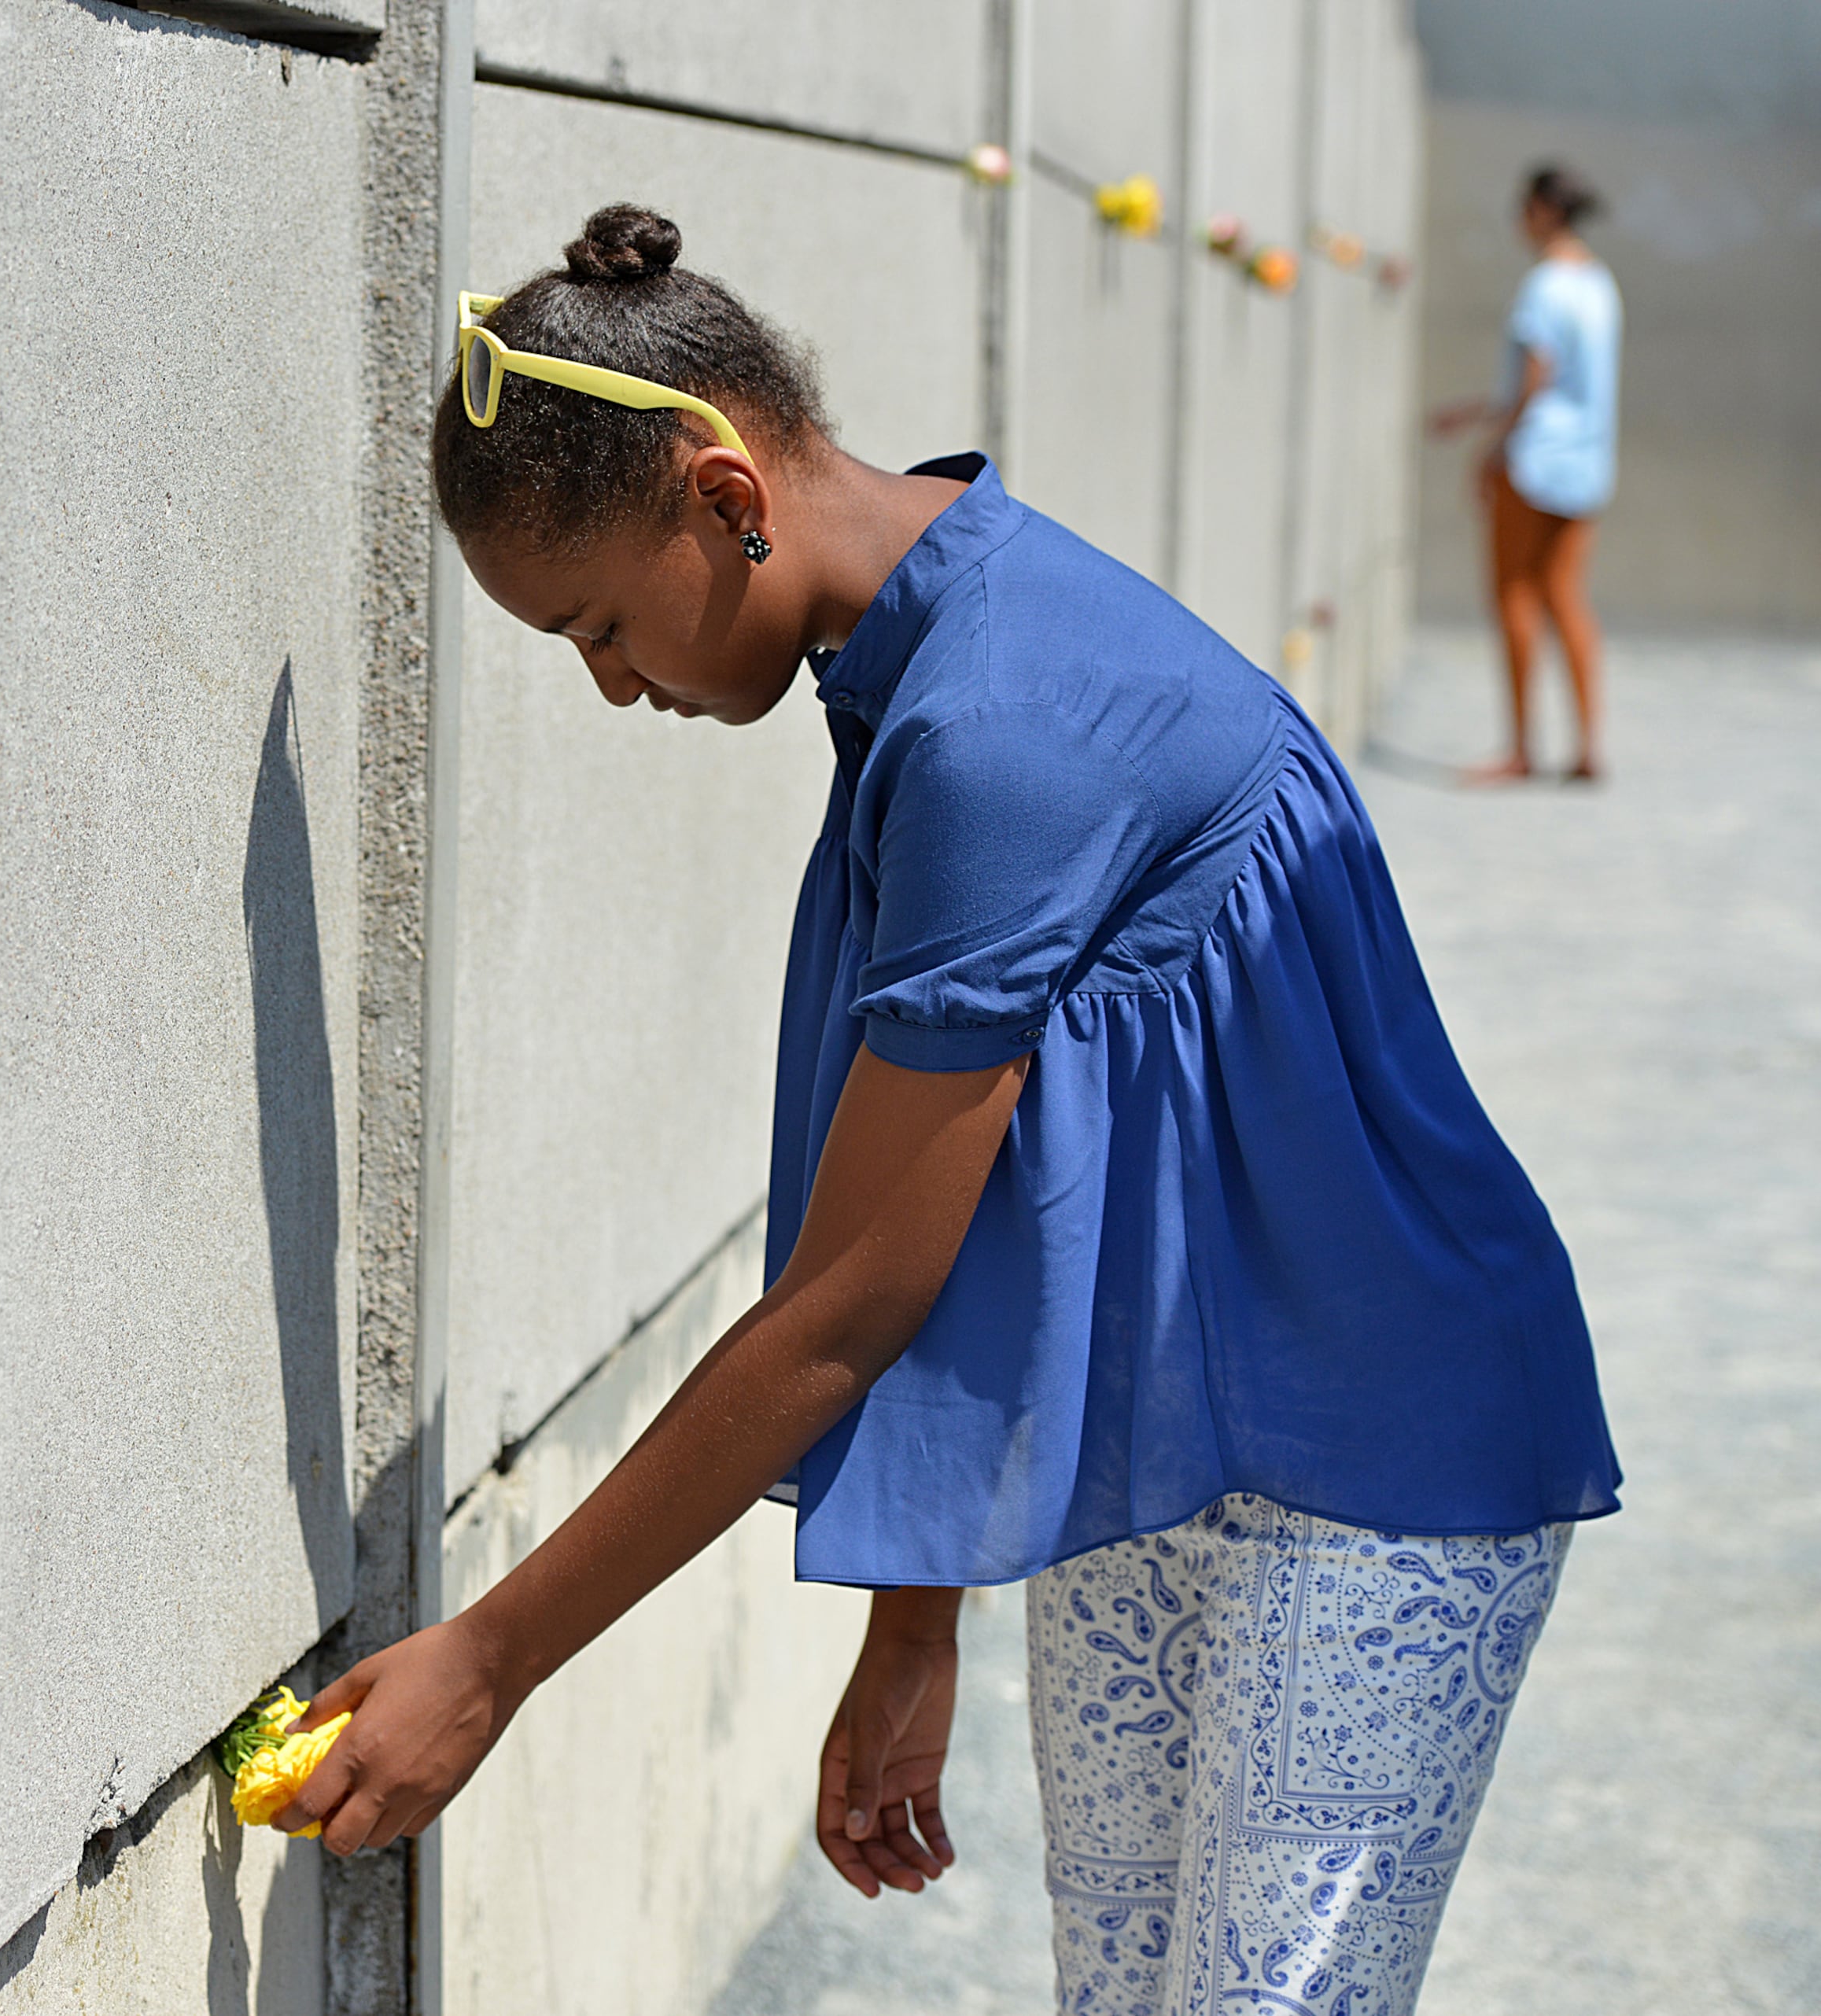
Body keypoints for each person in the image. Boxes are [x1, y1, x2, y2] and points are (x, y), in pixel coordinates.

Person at [269, 205, 1621, 2014]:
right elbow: (1019, 1173)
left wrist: (496, 1658)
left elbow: (849, 1297)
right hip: (1167, 1445)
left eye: (596, 623)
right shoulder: (920, 643)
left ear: (724, 497)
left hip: (1383, 1455)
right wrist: (917, 1623)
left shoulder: (991, 725)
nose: (607, 684)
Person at [1432, 163, 1623, 783]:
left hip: (1535, 460)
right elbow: (1567, 386)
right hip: (1586, 461)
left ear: (1544, 209)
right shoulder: (1600, 286)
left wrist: (1495, 447)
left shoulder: (1544, 286)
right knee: (1568, 599)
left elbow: (1537, 377)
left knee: (1514, 595)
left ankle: (1520, 748)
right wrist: (1478, 413)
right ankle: (1589, 746)